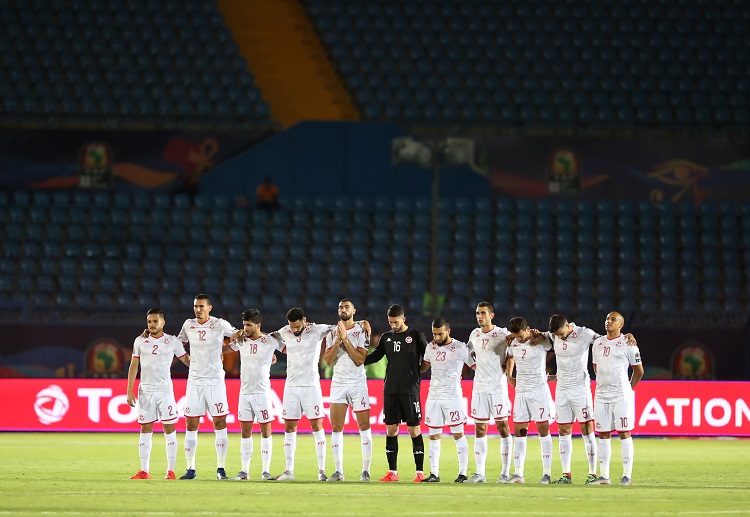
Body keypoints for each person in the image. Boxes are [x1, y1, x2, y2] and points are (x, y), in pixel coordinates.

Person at [545, 314, 637, 484]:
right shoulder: (553, 335)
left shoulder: (585, 334)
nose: (559, 337)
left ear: (567, 325)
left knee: (588, 430)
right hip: (561, 389)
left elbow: (606, 340)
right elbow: (538, 338)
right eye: (556, 335)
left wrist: (627, 336)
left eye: (560, 333)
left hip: (580, 388)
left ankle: (593, 473)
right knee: (563, 431)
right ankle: (566, 475)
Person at [364, 304, 429, 483]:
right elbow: (375, 357)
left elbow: (428, 357)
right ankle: (392, 472)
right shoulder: (386, 338)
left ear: (404, 319)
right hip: (391, 390)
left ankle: (419, 472)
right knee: (391, 430)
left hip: (410, 391)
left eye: (396, 322)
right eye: (390, 322)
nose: (393, 325)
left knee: (413, 429)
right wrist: (355, 359)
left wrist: (418, 372)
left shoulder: (416, 336)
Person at [177, 294, 239, 480]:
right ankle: (190, 469)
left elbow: (237, 337)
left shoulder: (220, 324)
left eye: (201, 306)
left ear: (209, 308)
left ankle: (221, 469)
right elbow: (176, 342)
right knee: (191, 423)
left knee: (219, 422)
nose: (198, 310)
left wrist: (227, 349)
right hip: (195, 380)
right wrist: (186, 360)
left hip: (215, 380)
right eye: (196, 306)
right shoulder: (188, 325)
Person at [270, 307, 334, 481]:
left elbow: (339, 327)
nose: (295, 330)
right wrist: (271, 353)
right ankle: (289, 471)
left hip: (311, 386)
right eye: (292, 327)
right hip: (291, 386)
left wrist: (361, 323)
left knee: (317, 425)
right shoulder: (285, 331)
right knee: (289, 427)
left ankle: (321, 471)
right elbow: (271, 338)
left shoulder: (317, 329)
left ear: (304, 320)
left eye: (297, 327)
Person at [127, 308, 190, 480]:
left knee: (169, 428)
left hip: (164, 391)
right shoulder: (140, 341)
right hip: (145, 390)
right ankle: (144, 470)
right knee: (145, 429)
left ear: (163, 322)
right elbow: (133, 366)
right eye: (149, 322)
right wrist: (129, 390)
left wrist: (205, 363)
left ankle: (171, 470)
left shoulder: (172, 341)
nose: (152, 325)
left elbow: (186, 360)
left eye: (155, 321)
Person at [228, 309, 283, 481]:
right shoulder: (241, 340)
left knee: (266, 430)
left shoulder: (270, 341)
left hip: (262, 392)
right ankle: (244, 471)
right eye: (244, 324)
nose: (246, 328)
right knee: (245, 431)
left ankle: (265, 471)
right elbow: (225, 348)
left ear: (258, 325)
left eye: (249, 325)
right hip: (244, 392)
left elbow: (289, 349)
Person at [322, 299, 373, 482]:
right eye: (340, 307)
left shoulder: (362, 330)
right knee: (336, 427)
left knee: (364, 426)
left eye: (346, 307)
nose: (343, 310)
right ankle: (338, 471)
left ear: (354, 311)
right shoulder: (331, 333)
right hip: (338, 383)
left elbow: (360, 359)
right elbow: (328, 360)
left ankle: (365, 471)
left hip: (358, 383)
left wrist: (346, 340)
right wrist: (338, 340)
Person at [418, 318, 474, 483]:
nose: (436, 337)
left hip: (452, 396)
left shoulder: (460, 347)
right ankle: (434, 474)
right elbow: (424, 367)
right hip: (433, 396)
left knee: (458, 434)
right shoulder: (430, 347)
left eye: (440, 333)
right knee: (434, 435)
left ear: (448, 331)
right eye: (434, 334)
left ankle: (463, 473)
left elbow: (475, 365)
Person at [591, 312, 644, 486]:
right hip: (601, 395)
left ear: (621, 324)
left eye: (613, 319)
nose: (608, 321)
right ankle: (604, 476)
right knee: (603, 434)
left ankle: (626, 476)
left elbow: (639, 371)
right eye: (607, 318)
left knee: (624, 432)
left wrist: (627, 388)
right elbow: (596, 368)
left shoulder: (628, 343)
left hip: (621, 395)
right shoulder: (597, 343)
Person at [464, 302, 513, 483]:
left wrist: (508, 371)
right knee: (480, 428)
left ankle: (505, 473)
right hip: (479, 387)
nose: (479, 316)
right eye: (477, 313)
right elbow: (467, 352)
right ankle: (480, 473)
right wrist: (475, 366)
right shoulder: (474, 334)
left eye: (483, 313)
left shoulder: (503, 334)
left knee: (503, 427)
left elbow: (514, 351)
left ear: (491, 315)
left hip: (497, 387)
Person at [505, 317, 555, 484]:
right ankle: (518, 474)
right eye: (516, 336)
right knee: (519, 431)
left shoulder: (540, 341)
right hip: (521, 392)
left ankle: (547, 474)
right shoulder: (513, 342)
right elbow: (510, 357)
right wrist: (509, 376)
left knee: (543, 430)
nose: (518, 339)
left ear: (528, 329)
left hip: (538, 391)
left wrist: (540, 335)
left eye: (520, 335)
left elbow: (555, 342)